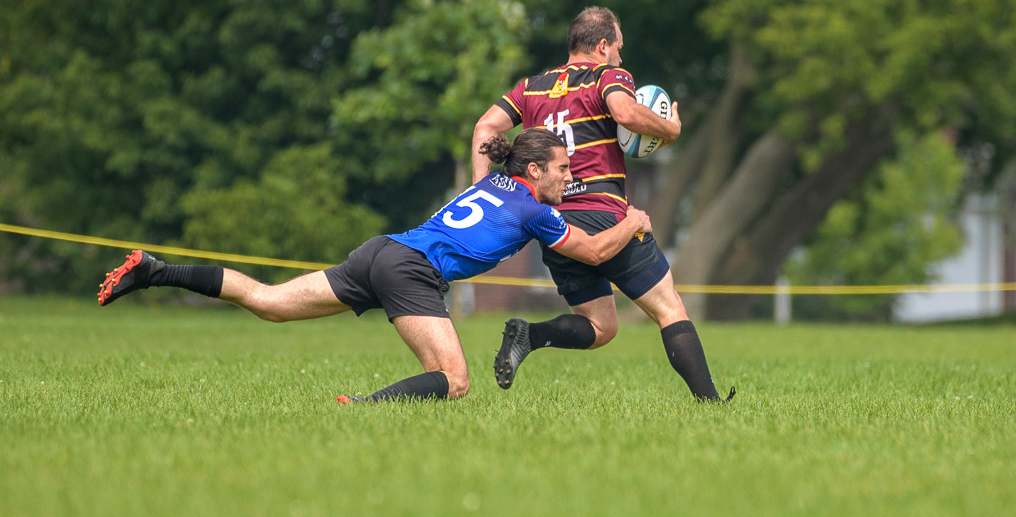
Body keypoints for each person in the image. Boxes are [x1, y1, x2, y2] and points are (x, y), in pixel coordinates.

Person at [97, 130, 654, 403]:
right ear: (534, 169)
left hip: (380, 250)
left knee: (267, 303)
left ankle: (155, 269)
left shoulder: (496, 180)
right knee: (456, 381)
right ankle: (363, 410)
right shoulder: (535, 208)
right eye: (561, 168)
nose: (568, 177)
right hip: (410, 270)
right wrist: (634, 220)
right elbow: (597, 252)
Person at [468, 6, 731, 401]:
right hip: (604, 215)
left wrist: (481, 192)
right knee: (669, 307)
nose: (621, 58)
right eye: (618, 48)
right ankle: (711, 404)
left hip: (553, 223)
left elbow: (484, 128)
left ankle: (529, 334)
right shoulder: (608, 76)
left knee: (600, 327)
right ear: (602, 45)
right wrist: (671, 129)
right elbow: (626, 112)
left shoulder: (532, 87)